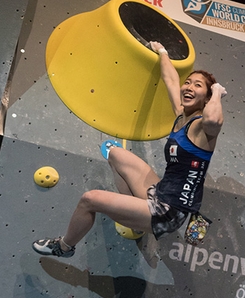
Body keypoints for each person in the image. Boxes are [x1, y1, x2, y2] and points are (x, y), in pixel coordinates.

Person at [32, 41, 226, 258]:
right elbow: (171, 79)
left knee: (90, 199)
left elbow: (214, 120)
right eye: (188, 82)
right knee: (116, 154)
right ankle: (137, 222)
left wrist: (217, 91)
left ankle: (64, 247)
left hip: (169, 211)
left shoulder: (203, 127)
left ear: (207, 98)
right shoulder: (182, 115)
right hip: (161, 191)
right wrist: (162, 51)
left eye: (197, 85)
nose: (189, 87)